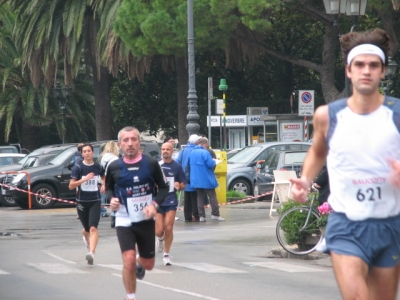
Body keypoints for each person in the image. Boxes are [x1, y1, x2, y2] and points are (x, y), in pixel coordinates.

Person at [289, 28, 400, 300]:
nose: (366, 70)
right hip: (346, 223)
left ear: (383, 71)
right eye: (359, 64)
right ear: (348, 71)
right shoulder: (328, 115)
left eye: (373, 65)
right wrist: (305, 179)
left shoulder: (396, 114)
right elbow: (317, 152)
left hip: (390, 224)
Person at [106, 126, 168, 300]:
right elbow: (108, 189)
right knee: (129, 259)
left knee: (148, 265)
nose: (130, 143)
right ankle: (130, 296)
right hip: (124, 218)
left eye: (133, 139)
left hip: (145, 218)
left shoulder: (150, 163)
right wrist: (112, 200)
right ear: (119, 145)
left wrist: (154, 205)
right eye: (125, 140)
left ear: (139, 142)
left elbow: (163, 188)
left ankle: (141, 263)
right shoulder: (114, 167)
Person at [69, 143, 101, 265]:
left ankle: (91, 253)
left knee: (93, 228)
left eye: (89, 151)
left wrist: (103, 186)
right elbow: (71, 185)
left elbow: (103, 179)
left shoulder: (98, 167)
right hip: (82, 202)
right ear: (82, 154)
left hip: (95, 201)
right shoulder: (78, 168)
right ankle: (85, 237)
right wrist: (84, 179)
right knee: (86, 229)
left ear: (93, 153)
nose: (87, 153)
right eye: (85, 151)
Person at [156, 142, 186, 265]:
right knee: (159, 230)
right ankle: (160, 238)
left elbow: (184, 184)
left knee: (169, 227)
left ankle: (166, 255)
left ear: (172, 151)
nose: (165, 151)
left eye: (167, 149)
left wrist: (179, 186)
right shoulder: (156, 165)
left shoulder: (177, 167)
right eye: (163, 149)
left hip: (170, 199)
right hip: (157, 199)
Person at [189, 137, 225, 222]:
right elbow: (210, 164)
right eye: (207, 145)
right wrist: (214, 161)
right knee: (212, 196)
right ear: (205, 144)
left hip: (195, 178)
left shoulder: (192, 152)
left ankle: (202, 216)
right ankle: (215, 214)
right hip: (206, 178)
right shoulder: (205, 152)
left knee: (200, 197)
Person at [176, 134, 200, 222]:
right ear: (197, 142)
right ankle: (196, 214)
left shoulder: (183, 150)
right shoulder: (196, 150)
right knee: (195, 197)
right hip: (194, 177)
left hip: (184, 177)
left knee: (187, 198)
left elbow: (177, 161)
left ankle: (187, 216)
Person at [99, 141, 120, 227]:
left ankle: (111, 216)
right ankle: (114, 217)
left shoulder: (103, 158)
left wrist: (103, 184)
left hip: (106, 179)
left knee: (110, 198)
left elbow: (102, 171)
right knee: (116, 198)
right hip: (115, 180)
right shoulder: (116, 159)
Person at [97, 143, 109, 218]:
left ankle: (102, 211)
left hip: (101, 178)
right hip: (103, 178)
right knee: (103, 196)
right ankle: (103, 211)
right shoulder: (102, 157)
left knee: (102, 196)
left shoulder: (100, 157)